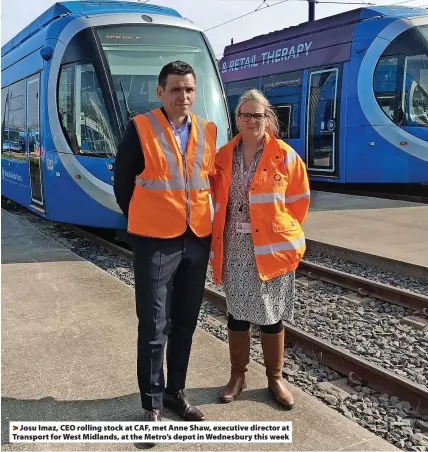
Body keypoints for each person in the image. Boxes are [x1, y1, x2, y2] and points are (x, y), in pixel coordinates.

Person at [114, 61, 217, 423]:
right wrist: (144, 219)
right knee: (154, 325)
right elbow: (122, 184)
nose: (183, 96)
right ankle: (152, 404)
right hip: (155, 241)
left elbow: (206, 181)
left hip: (197, 239)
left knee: (186, 322)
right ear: (160, 92)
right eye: (175, 89)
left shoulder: (208, 130)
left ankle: (176, 393)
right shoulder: (140, 128)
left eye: (189, 89)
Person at [209, 89, 310, 410]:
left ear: (269, 118)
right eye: (245, 115)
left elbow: (298, 202)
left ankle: (275, 379)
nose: (252, 120)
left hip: (272, 246)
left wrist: (279, 228)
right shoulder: (223, 156)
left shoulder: (286, 156)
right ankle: (237, 376)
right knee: (237, 313)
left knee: (271, 315)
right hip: (236, 247)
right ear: (237, 119)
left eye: (258, 115)